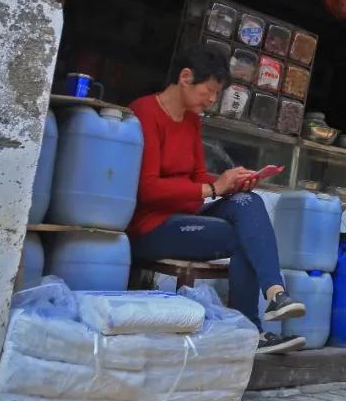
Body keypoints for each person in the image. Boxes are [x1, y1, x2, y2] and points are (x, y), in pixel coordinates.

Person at [128, 46, 307, 354]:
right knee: (243, 238)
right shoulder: (144, 113)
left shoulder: (191, 120)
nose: (212, 99)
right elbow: (148, 189)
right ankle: (249, 331)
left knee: (249, 202)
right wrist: (213, 189)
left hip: (188, 215)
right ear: (185, 77)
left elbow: (198, 176)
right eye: (209, 91)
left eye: (216, 93)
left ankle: (276, 294)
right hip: (152, 225)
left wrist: (231, 182)